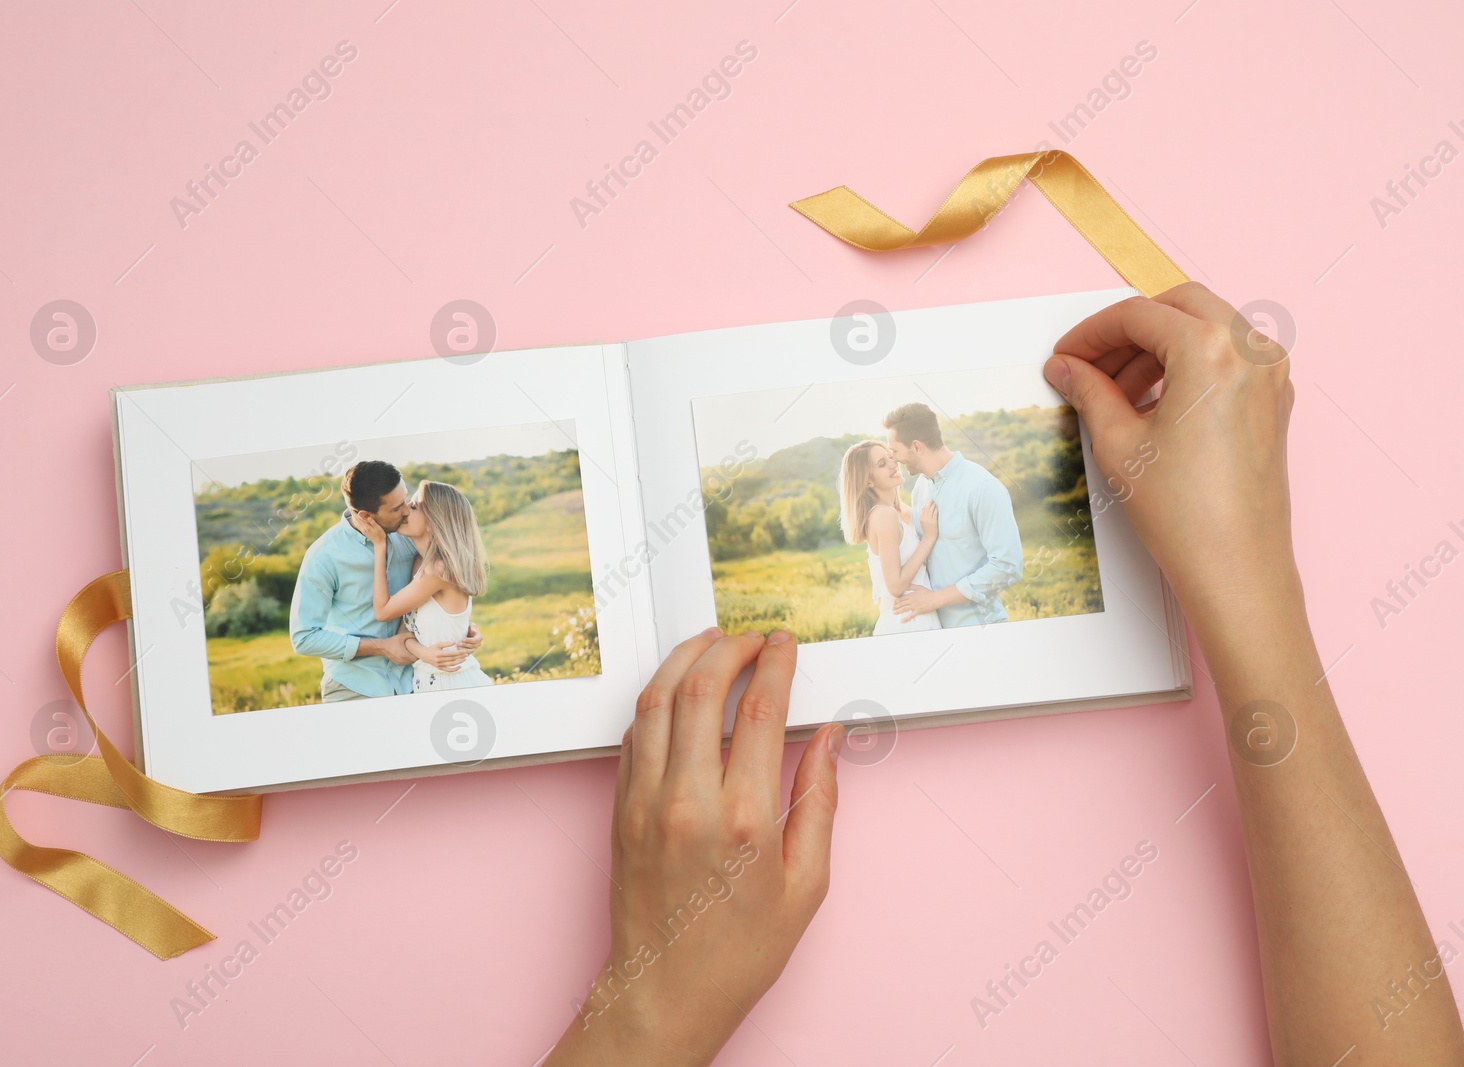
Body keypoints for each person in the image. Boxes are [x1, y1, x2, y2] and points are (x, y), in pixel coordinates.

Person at [544, 283, 1464, 1065]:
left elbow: (991, 574)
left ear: (907, 446)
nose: (890, 465)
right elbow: (906, 591)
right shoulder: (909, 511)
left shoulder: (962, 491)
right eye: (881, 462)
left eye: (889, 450)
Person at [288, 460, 482, 702]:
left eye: (407, 500)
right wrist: (380, 646)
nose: (406, 511)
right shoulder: (324, 556)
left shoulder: (410, 536)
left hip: (416, 682)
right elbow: (304, 638)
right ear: (367, 516)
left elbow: (438, 592)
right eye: (396, 508)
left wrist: (462, 629)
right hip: (355, 687)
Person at [884, 402, 1024, 628]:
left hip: (980, 627)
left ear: (917, 447)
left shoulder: (982, 487)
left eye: (895, 451)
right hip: (935, 628)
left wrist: (934, 600)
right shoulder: (921, 486)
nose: (895, 459)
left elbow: (1008, 567)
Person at [348, 479, 493, 692]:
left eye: (414, 506)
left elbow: (383, 611)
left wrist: (380, 545)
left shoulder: (437, 570)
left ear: (434, 521)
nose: (405, 511)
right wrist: (422, 652)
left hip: (453, 683)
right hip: (426, 682)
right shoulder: (421, 564)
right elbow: (408, 630)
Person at [836, 439, 943, 635]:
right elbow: (895, 585)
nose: (893, 464)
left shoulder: (896, 512)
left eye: (890, 458)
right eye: (882, 464)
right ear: (868, 480)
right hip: (908, 623)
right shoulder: (884, 515)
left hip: (915, 617)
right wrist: (929, 538)